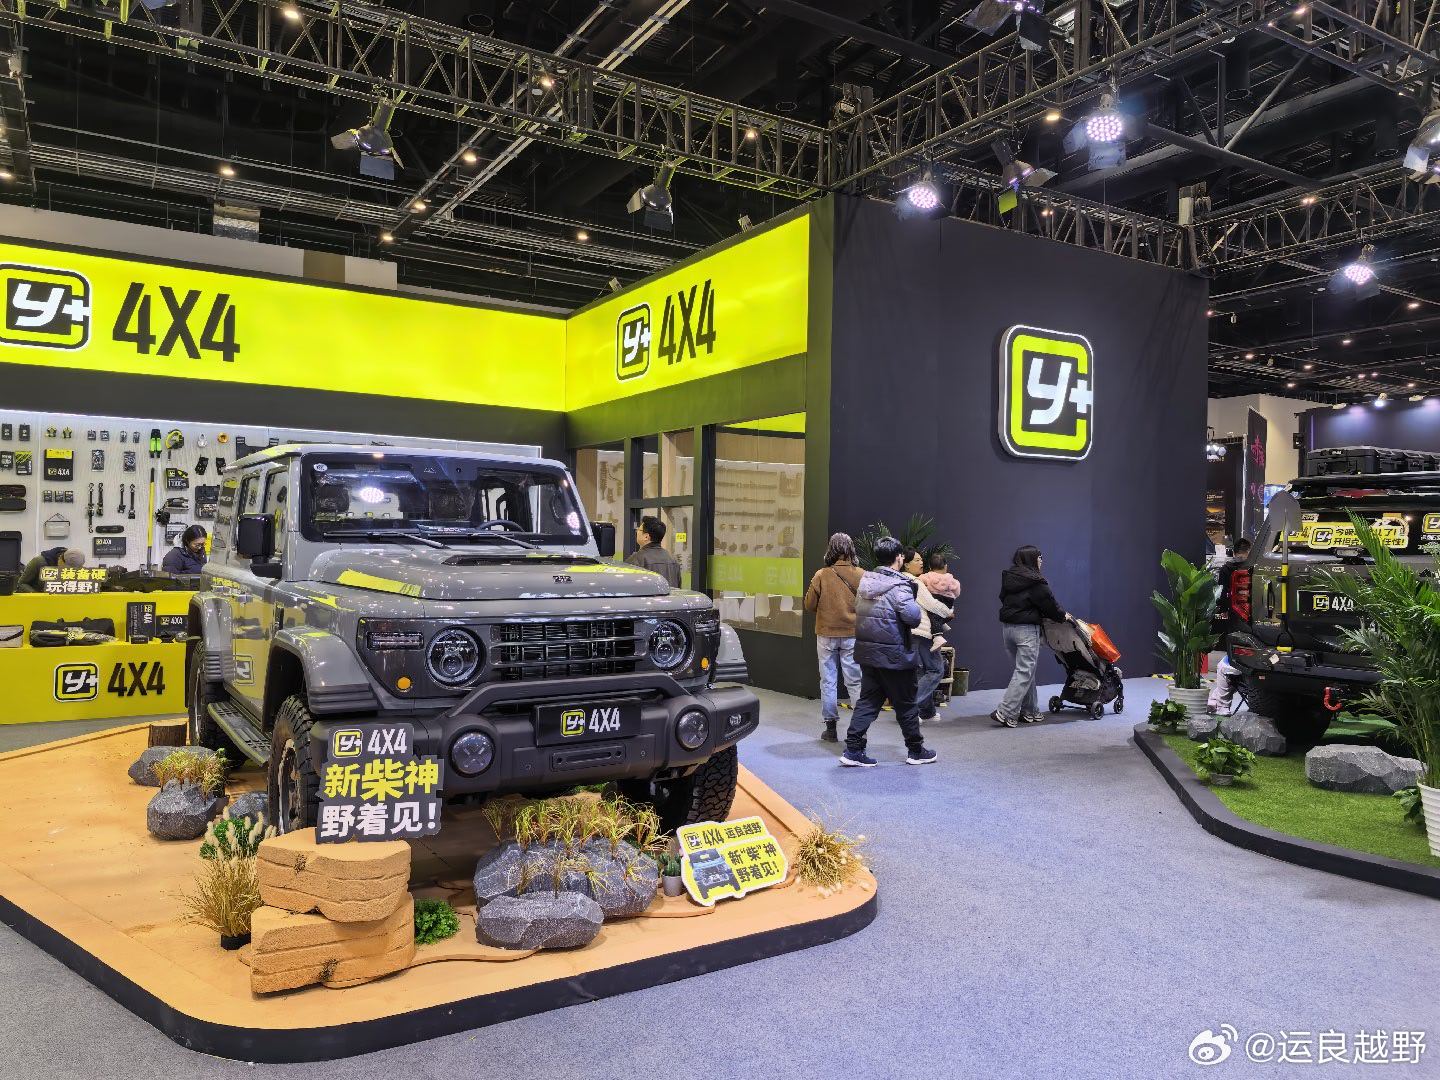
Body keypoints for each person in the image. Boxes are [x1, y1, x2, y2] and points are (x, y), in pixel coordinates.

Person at [841, 536, 937, 767]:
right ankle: (916, 750)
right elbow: (913, 618)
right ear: (899, 558)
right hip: (895, 656)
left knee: (867, 702)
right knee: (906, 704)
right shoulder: (900, 586)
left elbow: (860, 610)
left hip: (868, 653)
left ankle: (853, 749)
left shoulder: (866, 583)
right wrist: (912, 595)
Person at [993, 545, 1068, 728]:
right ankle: (1006, 712)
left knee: (1025, 671)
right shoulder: (1036, 581)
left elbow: (1003, 598)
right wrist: (1063, 616)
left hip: (1008, 629)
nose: (1042, 561)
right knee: (1025, 671)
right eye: (1040, 557)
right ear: (1032, 559)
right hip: (1026, 630)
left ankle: (1030, 711)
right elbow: (1050, 605)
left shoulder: (1009, 577)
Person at [804, 532, 864, 743]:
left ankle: (830, 730)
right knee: (854, 682)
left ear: (831, 549)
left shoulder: (821, 575)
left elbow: (809, 604)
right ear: (851, 549)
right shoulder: (862, 575)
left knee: (828, 681)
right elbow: (869, 606)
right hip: (852, 634)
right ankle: (859, 731)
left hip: (826, 633)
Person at [902, 548, 958, 724]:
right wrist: (948, 612)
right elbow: (931, 604)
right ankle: (909, 709)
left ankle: (927, 712)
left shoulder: (902, 580)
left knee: (922, 671)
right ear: (906, 564)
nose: (921, 563)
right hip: (922, 631)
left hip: (910, 630)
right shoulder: (915, 582)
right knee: (936, 670)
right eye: (917, 560)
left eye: (921, 560)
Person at [626, 515, 681, 587]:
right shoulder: (673, 559)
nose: (636, 532)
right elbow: (678, 588)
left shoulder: (636, 559)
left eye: (638, 529)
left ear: (646, 537)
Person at [14, 546, 85, 592]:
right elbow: (21, 584)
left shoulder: (76, 561)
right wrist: (36, 595)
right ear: (61, 559)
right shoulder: (38, 562)